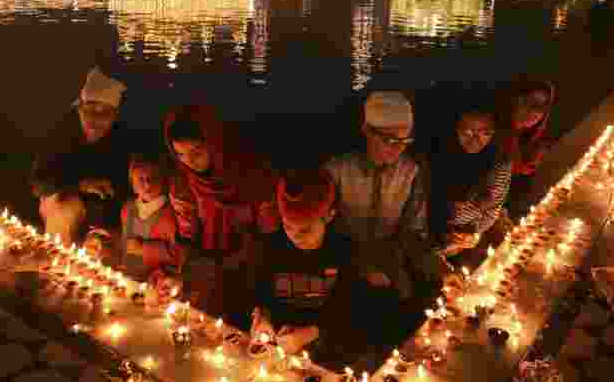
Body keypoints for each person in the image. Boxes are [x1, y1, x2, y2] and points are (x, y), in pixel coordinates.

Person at [323, 92, 437, 330]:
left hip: (391, 267)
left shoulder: (411, 172)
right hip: (343, 267)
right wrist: (360, 265)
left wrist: (441, 268)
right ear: (366, 129)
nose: (398, 150)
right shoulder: (336, 171)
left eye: (405, 141)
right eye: (390, 140)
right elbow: (324, 233)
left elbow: (415, 231)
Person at [164, 104, 279, 324]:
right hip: (208, 277)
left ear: (215, 143)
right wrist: (179, 273)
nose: (189, 161)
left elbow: (270, 238)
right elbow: (188, 237)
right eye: (180, 154)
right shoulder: (183, 184)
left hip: (252, 278)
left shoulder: (253, 177)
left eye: (196, 152)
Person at [250, 169, 357, 363]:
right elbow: (259, 288)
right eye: (288, 226)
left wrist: (310, 333)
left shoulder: (344, 252)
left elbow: (349, 311)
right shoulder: (272, 245)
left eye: (305, 229)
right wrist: (262, 316)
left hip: (327, 352)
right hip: (278, 344)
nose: (294, 237)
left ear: (330, 216)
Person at [31, 66, 131, 245]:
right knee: (65, 205)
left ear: (115, 116)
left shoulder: (123, 141)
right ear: (79, 110)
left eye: (105, 112)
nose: (96, 118)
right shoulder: (60, 137)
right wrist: (80, 185)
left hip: (103, 217)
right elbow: (39, 184)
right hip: (64, 210)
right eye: (90, 110)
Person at [431, 100, 513, 258]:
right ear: (454, 130)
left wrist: (473, 233)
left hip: (459, 247)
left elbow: (493, 209)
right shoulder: (436, 160)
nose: (475, 141)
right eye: (467, 133)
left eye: (485, 133)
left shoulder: (500, 165)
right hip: (427, 244)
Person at [112, 153, 183, 287]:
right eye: (140, 179)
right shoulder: (128, 209)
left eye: (153, 178)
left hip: (157, 282)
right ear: (133, 185)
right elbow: (125, 240)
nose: (147, 183)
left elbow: (178, 254)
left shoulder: (170, 216)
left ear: (163, 181)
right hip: (128, 277)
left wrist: (143, 248)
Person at [497, 81, 556, 215]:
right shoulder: (491, 136)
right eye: (529, 102)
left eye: (541, 107)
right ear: (515, 100)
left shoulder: (533, 148)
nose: (534, 111)